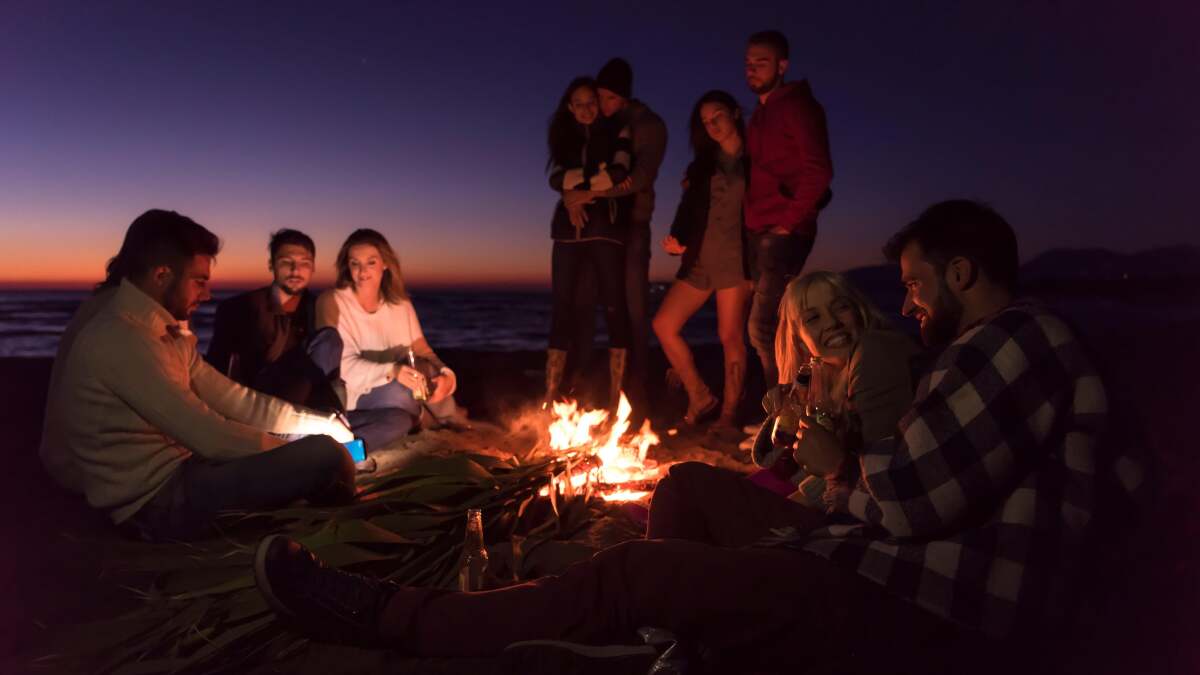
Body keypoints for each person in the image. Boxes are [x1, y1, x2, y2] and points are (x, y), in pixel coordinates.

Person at [251, 200, 1143, 670]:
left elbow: (906, 501)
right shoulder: (990, 353)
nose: (904, 301)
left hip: (922, 609)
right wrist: (812, 458)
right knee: (681, 486)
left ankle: (401, 619)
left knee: (635, 567)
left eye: (914, 283)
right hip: (871, 555)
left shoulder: (1019, 339)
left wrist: (833, 468)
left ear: (961, 272)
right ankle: (679, 644)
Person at [39, 209, 356, 542]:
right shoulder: (121, 337)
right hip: (159, 501)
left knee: (313, 442)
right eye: (199, 282)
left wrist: (319, 422)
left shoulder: (164, 332)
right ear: (162, 275)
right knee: (326, 457)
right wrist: (299, 449)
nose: (206, 295)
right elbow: (210, 436)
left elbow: (236, 399)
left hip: (189, 468)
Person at [743, 270, 920, 504]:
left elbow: (879, 475)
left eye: (840, 307)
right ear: (798, 337)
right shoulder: (820, 377)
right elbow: (777, 465)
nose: (832, 322)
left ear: (859, 311)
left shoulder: (877, 352)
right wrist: (786, 412)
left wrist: (787, 510)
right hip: (838, 489)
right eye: (813, 318)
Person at [567, 57, 667, 422]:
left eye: (608, 98)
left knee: (634, 309)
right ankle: (588, 391)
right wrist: (572, 193)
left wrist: (588, 195)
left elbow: (639, 177)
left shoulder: (649, 126)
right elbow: (577, 172)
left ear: (623, 97)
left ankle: (640, 393)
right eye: (599, 97)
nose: (602, 105)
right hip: (600, 230)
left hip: (633, 225)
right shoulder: (601, 128)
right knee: (587, 304)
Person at [310, 228, 467, 452]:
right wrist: (393, 371)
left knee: (401, 417)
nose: (362, 271)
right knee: (405, 392)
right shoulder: (332, 301)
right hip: (352, 396)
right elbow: (338, 365)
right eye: (355, 263)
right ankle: (441, 420)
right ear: (348, 266)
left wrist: (448, 376)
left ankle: (347, 454)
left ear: (385, 263)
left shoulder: (400, 305)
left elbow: (422, 351)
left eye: (371, 262)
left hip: (393, 404)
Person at [650, 90, 752, 432]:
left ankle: (728, 417)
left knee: (730, 336)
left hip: (737, 260)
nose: (712, 125)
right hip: (699, 259)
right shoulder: (702, 166)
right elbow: (687, 209)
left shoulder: (756, 158)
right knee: (664, 325)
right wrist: (678, 241)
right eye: (706, 122)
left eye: (718, 116)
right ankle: (699, 394)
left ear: (735, 113)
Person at [743, 30, 834, 391]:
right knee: (779, 329)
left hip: (783, 232)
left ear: (782, 65)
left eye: (760, 62)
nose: (751, 69)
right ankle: (789, 413)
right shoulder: (759, 116)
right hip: (760, 230)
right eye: (748, 63)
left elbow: (820, 170)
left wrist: (788, 222)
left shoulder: (798, 106)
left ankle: (780, 418)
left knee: (762, 329)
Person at [543, 76, 634, 409]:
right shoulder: (563, 138)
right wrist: (574, 193)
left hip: (605, 229)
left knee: (613, 306)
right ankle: (551, 395)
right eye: (578, 104)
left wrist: (578, 192)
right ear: (569, 107)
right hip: (566, 231)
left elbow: (619, 172)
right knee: (562, 308)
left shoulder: (615, 132)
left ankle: (616, 398)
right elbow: (555, 178)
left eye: (590, 102)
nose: (585, 109)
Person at [205, 229, 338, 410]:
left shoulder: (320, 309)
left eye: (304, 263)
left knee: (388, 420)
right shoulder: (239, 308)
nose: (295, 270)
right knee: (327, 340)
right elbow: (218, 369)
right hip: (257, 405)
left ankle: (323, 427)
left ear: (313, 267)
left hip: (308, 408)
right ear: (271, 265)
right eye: (286, 262)